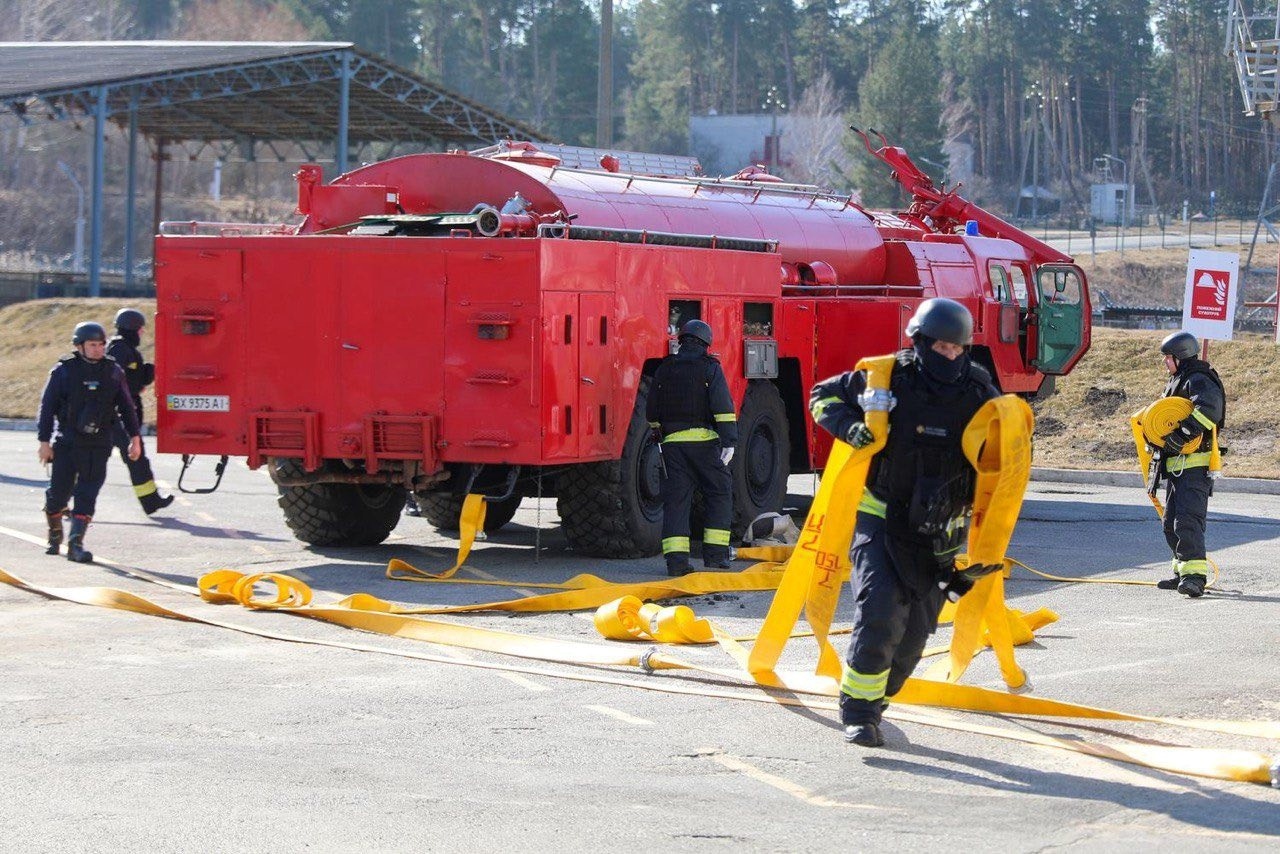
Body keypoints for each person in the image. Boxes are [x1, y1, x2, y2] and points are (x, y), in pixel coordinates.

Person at [809, 298, 999, 747]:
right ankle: (859, 713)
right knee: (879, 612)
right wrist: (848, 426)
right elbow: (822, 396)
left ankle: (881, 696)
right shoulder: (885, 376)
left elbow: (1006, 441)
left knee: (914, 636)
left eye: (957, 349)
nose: (949, 356)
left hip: (938, 534)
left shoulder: (977, 389)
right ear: (919, 341)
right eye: (941, 347)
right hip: (882, 519)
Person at [38, 321, 143, 562]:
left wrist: (134, 439)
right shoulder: (63, 371)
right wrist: (44, 442)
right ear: (79, 346)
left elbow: (127, 408)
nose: (98, 349)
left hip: (99, 444)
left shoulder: (113, 371)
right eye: (92, 345)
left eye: (101, 345)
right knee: (59, 495)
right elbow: (47, 408)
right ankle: (55, 533)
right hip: (68, 444)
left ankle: (76, 544)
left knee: (88, 493)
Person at [646, 319, 737, 576]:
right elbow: (722, 407)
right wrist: (729, 440)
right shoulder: (710, 368)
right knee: (719, 492)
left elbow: (652, 409)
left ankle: (676, 564)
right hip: (705, 445)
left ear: (681, 340)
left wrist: (658, 429)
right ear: (706, 343)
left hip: (672, 447)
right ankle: (716, 557)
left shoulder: (665, 368)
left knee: (676, 502)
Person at [1152, 331, 1225, 598]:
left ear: (1180, 357)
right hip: (1177, 465)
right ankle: (1182, 572)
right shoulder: (1179, 380)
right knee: (1170, 521)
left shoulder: (1198, 380)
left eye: (1168, 358)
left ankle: (1195, 578)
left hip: (1195, 466)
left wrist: (1181, 435)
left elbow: (1209, 411)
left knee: (1188, 521)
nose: (1165, 362)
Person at [107, 308, 174, 515]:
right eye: (140, 330)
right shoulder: (120, 349)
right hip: (118, 413)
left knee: (135, 458)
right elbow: (116, 380)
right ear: (134, 329)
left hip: (124, 411)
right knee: (131, 457)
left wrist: (150, 371)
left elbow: (136, 377)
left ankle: (150, 501)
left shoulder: (126, 349)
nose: (142, 334)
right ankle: (60, 501)